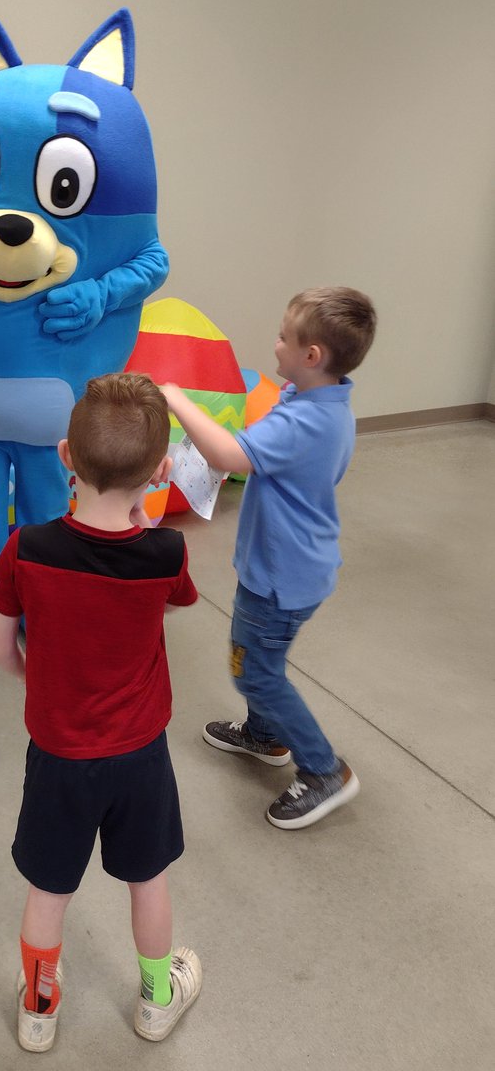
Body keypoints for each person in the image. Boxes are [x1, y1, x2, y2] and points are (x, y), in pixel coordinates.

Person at [0, 373, 201, 1053]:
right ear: (161, 470)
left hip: (58, 753)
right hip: (139, 754)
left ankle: (40, 1010)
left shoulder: (29, 549)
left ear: (64, 456)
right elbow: (160, 603)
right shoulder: (166, 552)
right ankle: (158, 1001)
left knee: (49, 890)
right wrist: (144, 531)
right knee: (149, 880)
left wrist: (37, 679)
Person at [161, 286, 377, 831]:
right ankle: (262, 735)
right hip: (290, 567)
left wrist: (176, 397)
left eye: (284, 336)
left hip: (280, 579)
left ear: (312, 357)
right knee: (260, 659)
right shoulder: (317, 399)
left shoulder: (306, 421)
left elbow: (231, 455)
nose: (274, 343)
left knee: (255, 672)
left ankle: (324, 770)